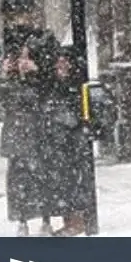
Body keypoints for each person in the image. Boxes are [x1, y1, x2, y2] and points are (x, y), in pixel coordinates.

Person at [0, 33, 56, 236]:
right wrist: (6, 77)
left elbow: (44, 96)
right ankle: (22, 220)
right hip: (17, 135)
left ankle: (45, 219)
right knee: (18, 180)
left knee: (41, 177)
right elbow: (2, 102)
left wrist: (34, 75)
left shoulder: (40, 78)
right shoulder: (11, 81)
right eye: (20, 57)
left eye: (27, 57)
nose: (23, 62)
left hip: (37, 133)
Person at [46, 47, 94, 236]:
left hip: (73, 137)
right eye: (58, 61)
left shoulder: (77, 84)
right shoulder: (54, 83)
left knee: (75, 178)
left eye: (64, 61)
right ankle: (69, 219)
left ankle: (78, 219)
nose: (61, 65)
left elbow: (78, 109)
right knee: (63, 179)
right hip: (59, 139)